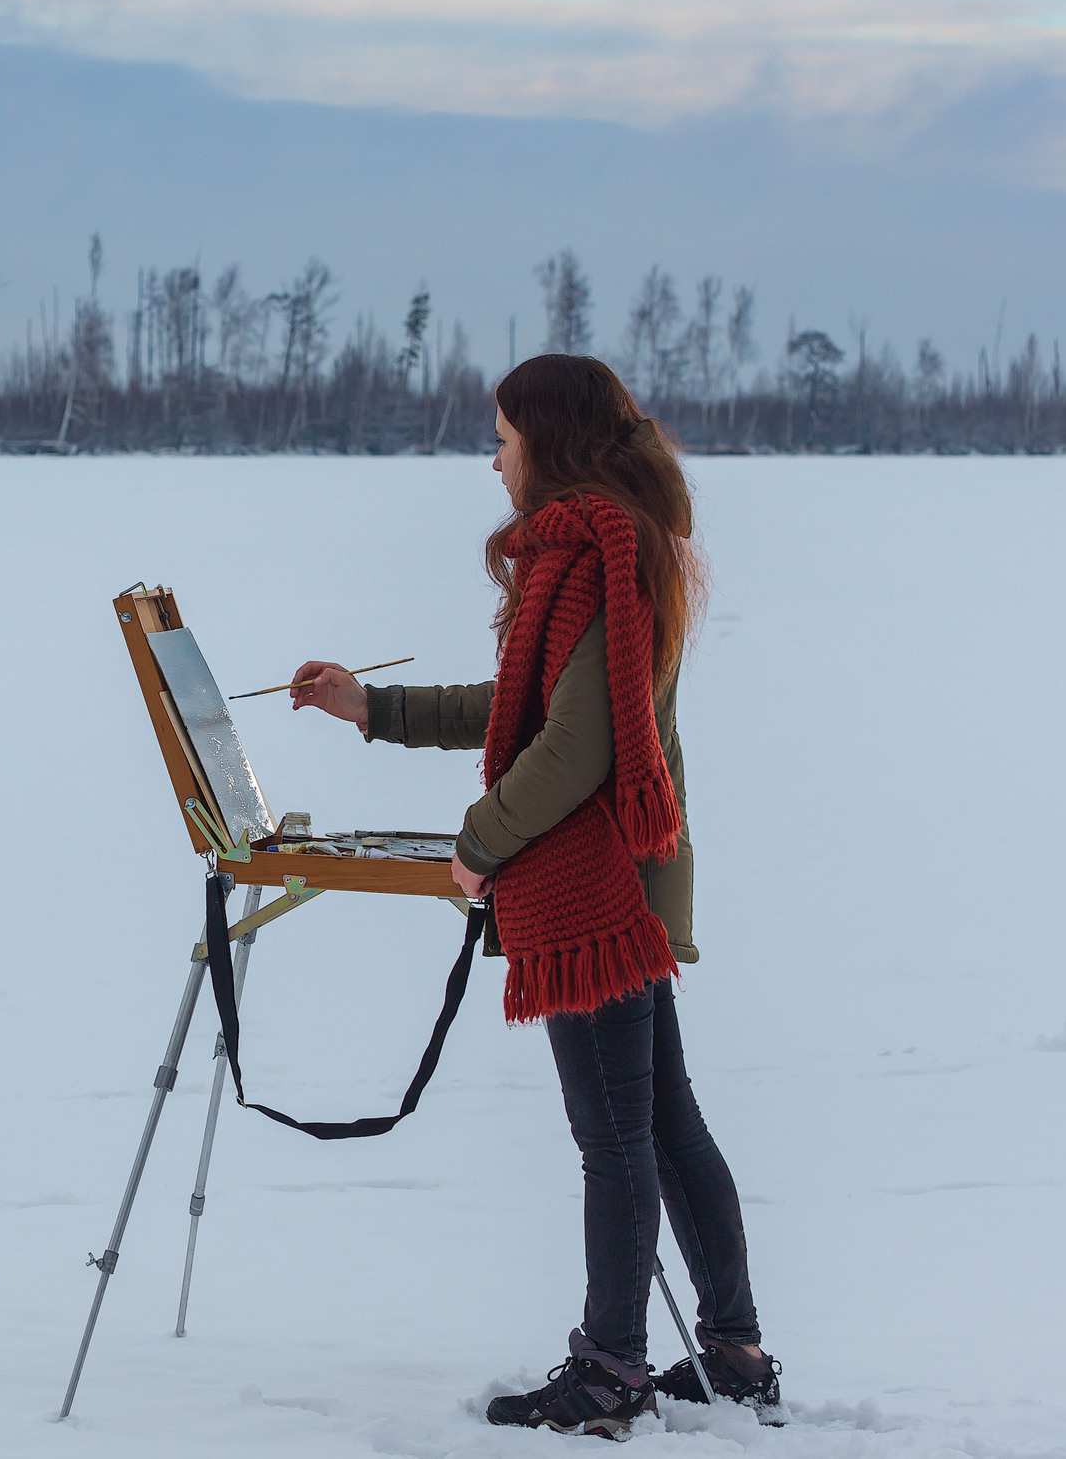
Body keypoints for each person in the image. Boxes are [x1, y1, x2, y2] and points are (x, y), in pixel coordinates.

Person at [286, 355, 780, 1440]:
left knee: (616, 1135)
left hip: (593, 881)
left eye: (502, 435)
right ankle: (734, 1353)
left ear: (547, 442)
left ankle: (611, 1370)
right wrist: (371, 708)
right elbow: (522, 706)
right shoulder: (600, 547)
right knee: (661, 1117)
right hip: (625, 873)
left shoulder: (599, 555)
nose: (492, 456)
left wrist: (479, 844)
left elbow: (571, 747)